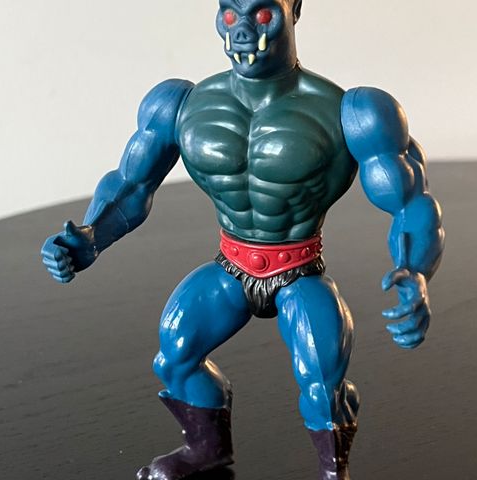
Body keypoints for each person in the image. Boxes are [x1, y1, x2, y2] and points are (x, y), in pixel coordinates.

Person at [41, 1, 444, 478]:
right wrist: (90, 238)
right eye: (231, 14)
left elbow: (411, 202)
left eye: (263, 13)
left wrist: (414, 270)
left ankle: (334, 471)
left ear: (294, 9)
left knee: (321, 380)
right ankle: (206, 450)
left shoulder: (354, 112)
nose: (244, 29)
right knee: (174, 357)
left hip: (299, 270)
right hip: (230, 265)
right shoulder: (179, 105)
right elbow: (131, 186)